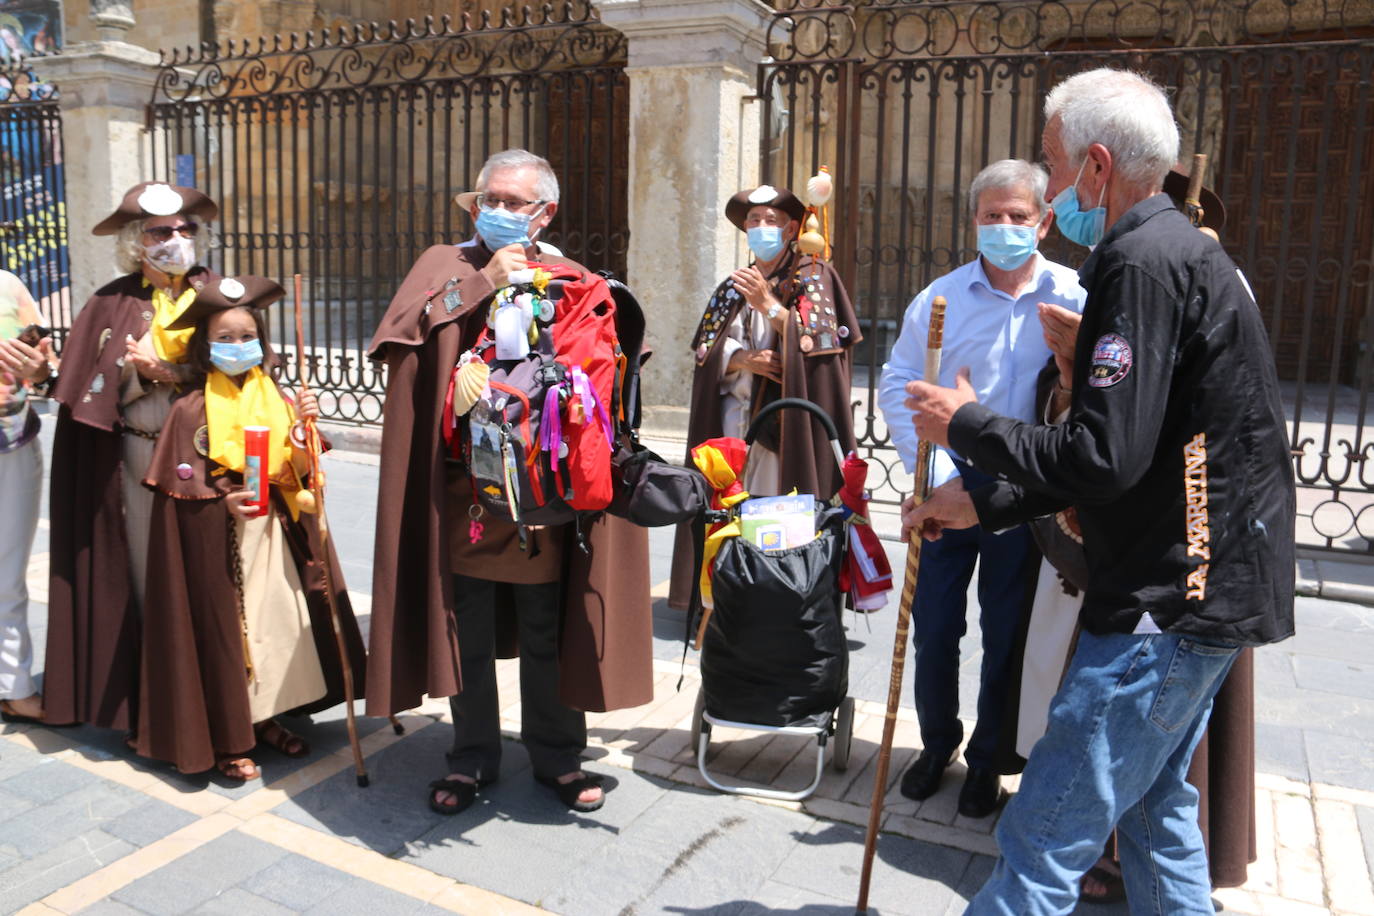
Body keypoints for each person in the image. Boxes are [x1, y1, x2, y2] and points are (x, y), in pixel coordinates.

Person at [903, 68, 1295, 914]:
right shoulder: (1178, 251)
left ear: (1097, 167)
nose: (1047, 192)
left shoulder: (1141, 263)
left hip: (1168, 599)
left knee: (1042, 838)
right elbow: (1137, 450)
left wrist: (966, 425)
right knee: (1156, 816)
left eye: (1052, 164)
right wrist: (980, 502)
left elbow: (1103, 456)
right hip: (1203, 587)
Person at [365, 149, 653, 815]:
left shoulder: (569, 274)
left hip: (540, 491)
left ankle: (556, 757)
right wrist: (483, 283)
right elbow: (402, 338)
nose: (494, 211)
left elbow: (614, 356)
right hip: (465, 489)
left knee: (547, 624)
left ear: (544, 213)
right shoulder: (446, 264)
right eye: (487, 200)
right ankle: (471, 758)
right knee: (464, 624)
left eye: (511, 202)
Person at [876, 159, 1085, 818]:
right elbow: (897, 379)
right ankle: (936, 742)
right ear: (973, 221)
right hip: (948, 477)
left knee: (1007, 630)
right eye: (991, 216)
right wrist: (933, 472)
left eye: (1016, 216)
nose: (1003, 227)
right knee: (935, 626)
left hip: (1024, 485)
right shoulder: (940, 298)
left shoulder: (1075, 297)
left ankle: (990, 758)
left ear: (1043, 222)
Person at [132, 275, 367, 780]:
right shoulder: (189, 408)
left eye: (246, 336)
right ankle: (225, 736)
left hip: (275, 537)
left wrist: (305, 428)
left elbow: (303, 470)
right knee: (228, 637)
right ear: (205, 346)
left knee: (275, 631)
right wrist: (222, 501)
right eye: (225, 338)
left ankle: (268, 719)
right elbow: (182, 490)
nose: (238, 346)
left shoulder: (279, 399)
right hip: (219, 545)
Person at [45, 181, 220, 730]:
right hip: (141, 462)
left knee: (216, 579)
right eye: (161, 231)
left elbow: (252, 362)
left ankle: (231, 708)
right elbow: (86, 389)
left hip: (216, 460)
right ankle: (162, 709)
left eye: (186, 229)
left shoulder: (219, 293)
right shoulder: (110, 302)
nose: (177, 239)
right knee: (152, 581)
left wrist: (172, 371)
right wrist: (134, 373)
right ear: (134, 241)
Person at [667, 184, 861, 611]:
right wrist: (742, 359)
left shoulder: (813, 277)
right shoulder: (731, 286)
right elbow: (705, 353)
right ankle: (728, 596)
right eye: (753, 221)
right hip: (733, 425)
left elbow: (820, 350)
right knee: (733, 512)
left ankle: (784, 597)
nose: (761, 228)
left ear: (792, 228)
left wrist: (768, 305)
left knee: (777, 515)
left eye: (771, 220)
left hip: (784, 430)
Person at [0, 270, 52, 723]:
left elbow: (42, 363)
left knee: (7, 572)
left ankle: (14, 687)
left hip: (11, 443)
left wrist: (35, 370)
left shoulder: (8, 285)